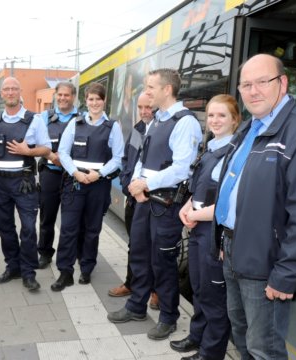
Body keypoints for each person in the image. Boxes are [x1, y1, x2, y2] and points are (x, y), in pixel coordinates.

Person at [212, 54, 296, 359]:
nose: (253, 91)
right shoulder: (250, 127)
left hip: (267, 263)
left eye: (262, 82)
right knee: (242, 336)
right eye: (246, 84)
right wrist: (223, 236)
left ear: (283, 83)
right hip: (235, 250)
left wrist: (287, 273)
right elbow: (234, 186)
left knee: (265, 348)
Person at [107, 68, 202, 341]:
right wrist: (137, 185)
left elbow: (182, 168)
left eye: (151, 88)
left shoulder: (184, 123)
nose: (146, 93)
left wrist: (145, 184)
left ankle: (169, 317)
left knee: (163, 262)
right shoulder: (158, 120)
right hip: (144, 201)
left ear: (167, 90)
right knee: (139, 255)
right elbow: (141, 159)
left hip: (166, 205)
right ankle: (136, 306)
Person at [171, 95, 239, 360]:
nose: (215, 120)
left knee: (214, 298)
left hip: (215, 234)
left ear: (235, 119)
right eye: (211, 115)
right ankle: (196, 336)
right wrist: (187, 206)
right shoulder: (210, 147)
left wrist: (197, 214)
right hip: (199, 227)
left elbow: (227, 204)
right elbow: (200, 187)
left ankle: (211, 353)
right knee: (198, 287)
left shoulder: (233, 154)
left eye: (222, 115)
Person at [50, 82, 124, 291]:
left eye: (98, 99)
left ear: (104, 101)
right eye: (90, 99)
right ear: (86, 101)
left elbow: (118, 158)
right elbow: (63, 152)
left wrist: (98, 174)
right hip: (75, 184)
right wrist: (75, 173)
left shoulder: (113, 127)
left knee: (92, 230)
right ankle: (65, 272)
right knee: (68, 229)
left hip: (98, 185)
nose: (94, 103)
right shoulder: (75, 123)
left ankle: (86, 268)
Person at [0, 77, 51, 291]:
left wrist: (28, 151)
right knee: (4, 227)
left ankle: (28, 273)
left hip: (24, 183)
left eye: (14, 88)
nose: (11, 92)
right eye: (7, 89)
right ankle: (12, 267)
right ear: (2, 93)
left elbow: (47, 149)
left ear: (20, 91)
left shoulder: (34, 119)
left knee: (28, 229)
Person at [107, 91, 159, 311]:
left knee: (155, 248)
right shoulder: (138, 130)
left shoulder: (162, 130)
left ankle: (156, 291)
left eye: (149, 107)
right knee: (134, 245)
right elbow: (128, 160)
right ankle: (132, 283)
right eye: (141, 107)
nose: (145, 112)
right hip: (133, 197)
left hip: (152, 199)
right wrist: (128, 185)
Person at [37, 81, 80, 269]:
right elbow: (34, 142)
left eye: (67, 95)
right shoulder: (45, 117)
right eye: (60, 95)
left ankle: (69, 255)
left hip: (72, 177)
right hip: (50, 175)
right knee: (47, 217)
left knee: (71, 220)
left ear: (73, 97)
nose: (63, 98)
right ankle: (45, 253)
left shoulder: (82, 118)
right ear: (55, 95)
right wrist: (50, 155)